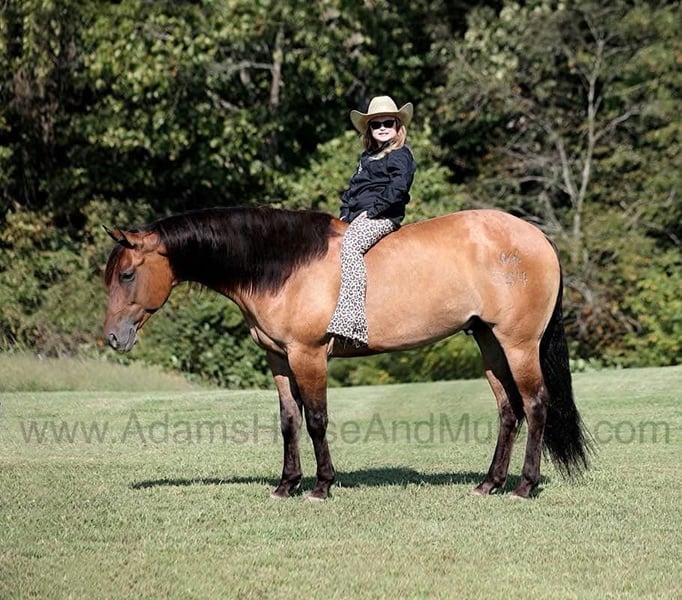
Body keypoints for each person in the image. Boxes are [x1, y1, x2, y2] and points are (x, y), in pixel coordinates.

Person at [327, 95, 417, 346]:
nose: (382, 128)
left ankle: (352, 320)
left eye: (388, 123)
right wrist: (344, 214)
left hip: (381, 215)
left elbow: (399, 186)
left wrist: (374, 210)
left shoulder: (400, 154)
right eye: (376, 124)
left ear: (398, 126)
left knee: (351, 245)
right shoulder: (366, 158)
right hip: (356, 216)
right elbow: (353, 190)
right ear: (370, 129)